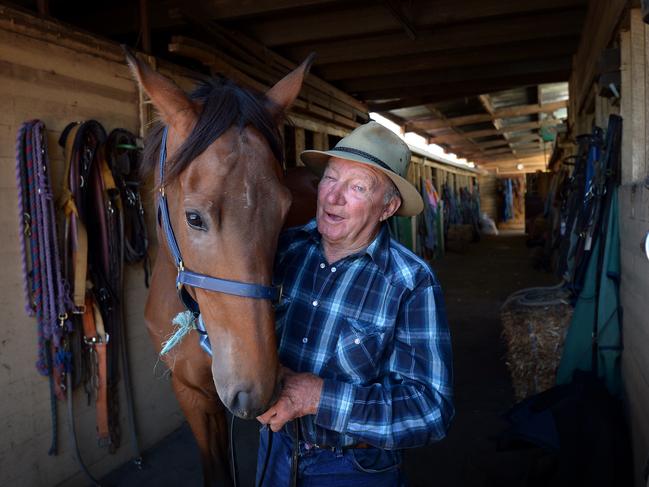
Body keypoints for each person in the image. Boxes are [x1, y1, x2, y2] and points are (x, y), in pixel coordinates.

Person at [256, 121, 454, 486]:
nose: (333, 197)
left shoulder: (410, 282)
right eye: (330, 179)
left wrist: (317, 398)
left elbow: (431, 411)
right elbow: (217, 324)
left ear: (387, 207)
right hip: (275, 449)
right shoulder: (282, 250)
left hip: (353, 468)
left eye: (358, 187)